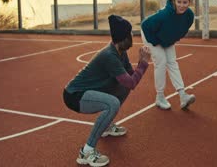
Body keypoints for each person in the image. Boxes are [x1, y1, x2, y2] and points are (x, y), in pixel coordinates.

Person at [63, 15, 151, 167]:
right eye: (130, 34)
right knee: (113, 104)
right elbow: (132, 82)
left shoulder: (120, 52)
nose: (133, 36)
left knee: (123, 88)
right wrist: (143, 64)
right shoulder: (110, 56)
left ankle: (106, 126)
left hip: (88, 91)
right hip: (75, 96)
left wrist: (140, 64)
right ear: (124, 37)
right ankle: (87, 152)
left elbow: (129, 79)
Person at [141, 0, 196, 110]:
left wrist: (171, 40)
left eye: (185, 2)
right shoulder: (165, 14)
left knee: (172, 62)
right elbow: (145, 26)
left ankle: (183, 96)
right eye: (179, 2)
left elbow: (182, 30)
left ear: (189, 3)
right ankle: (159, 97)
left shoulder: (189, 15)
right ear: (175, 1)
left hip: (166, 38)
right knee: (161, 62)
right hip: (151, 35)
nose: (181, 5)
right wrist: (156, 43)